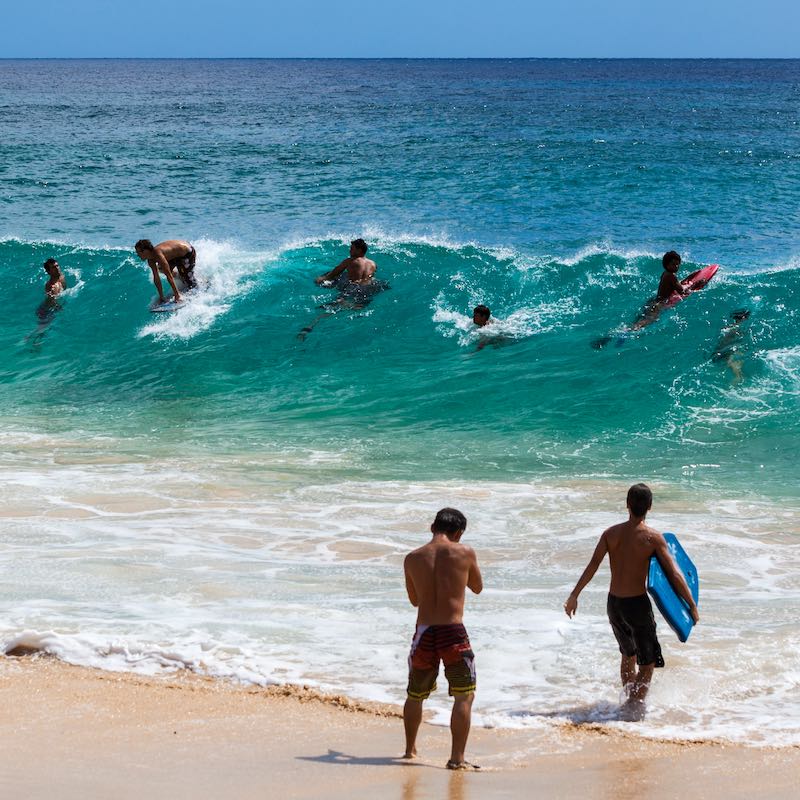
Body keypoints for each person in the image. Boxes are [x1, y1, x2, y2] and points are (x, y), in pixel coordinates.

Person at [564, 484, 699, 720]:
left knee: (628, 656)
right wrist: (692, 606)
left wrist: (574, 595)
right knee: (647, 664)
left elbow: (592, 566)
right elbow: (675, 575)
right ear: (650, 507)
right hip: (637, 606)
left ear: (627, 504)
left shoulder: (610, 534)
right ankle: (633, 709)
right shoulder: (652, 538)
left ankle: (628, 700)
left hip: (614, 605)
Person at [403, 508, 483, 771]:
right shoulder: (464, 552)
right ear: (458, 533)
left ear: (432, 527)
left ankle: (409, 750)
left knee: (415, 694)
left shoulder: (412, 558)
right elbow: (477, 587)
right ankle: (457, 758)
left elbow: (415, 600)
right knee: (463, 696)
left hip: (424, 631)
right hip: (453, 632)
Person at [298, 239, 385, 340]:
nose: (349, 251)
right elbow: (370, 278)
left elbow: (333, 274)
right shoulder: (373, 264)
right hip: (368, 288)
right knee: (360, 306)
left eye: (352, 249)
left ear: (360, 250)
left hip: (353, 287)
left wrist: (320, 279)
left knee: (331, 308)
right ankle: (352, 307)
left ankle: (308, 328)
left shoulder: (350, 261)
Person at [134, 239, 197, 304]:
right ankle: (180, 276)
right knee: (161, 269)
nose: (138, 255)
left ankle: (196, 286)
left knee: (189, 282)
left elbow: (168, 275)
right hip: (175, 256)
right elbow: (156, 278)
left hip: (187, 253)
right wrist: (161, 297)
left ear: (145, 251)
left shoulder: (158, 254)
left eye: (138, 252)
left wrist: (177, 295)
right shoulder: (150, 260)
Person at [712, 309, 750, 384]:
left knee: (734, 366)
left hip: (720, 350)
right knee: (736, 369)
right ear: (743, 318)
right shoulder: (738, 328)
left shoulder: (728, 327)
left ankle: (737, 380)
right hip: (730, 349)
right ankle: (735, 382)